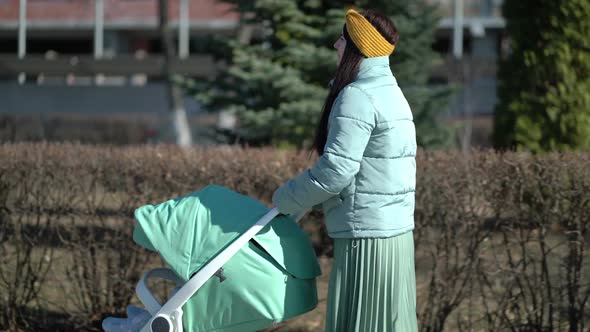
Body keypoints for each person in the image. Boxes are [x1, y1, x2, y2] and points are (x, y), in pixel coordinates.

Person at [272, 8, 418, 332]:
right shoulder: (392, 93)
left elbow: (337, 171)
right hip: (394, 234)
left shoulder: (357, 97)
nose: (335, 45)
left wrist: (286, 198)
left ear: (355, 47)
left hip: (365, 237)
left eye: (342, 39)